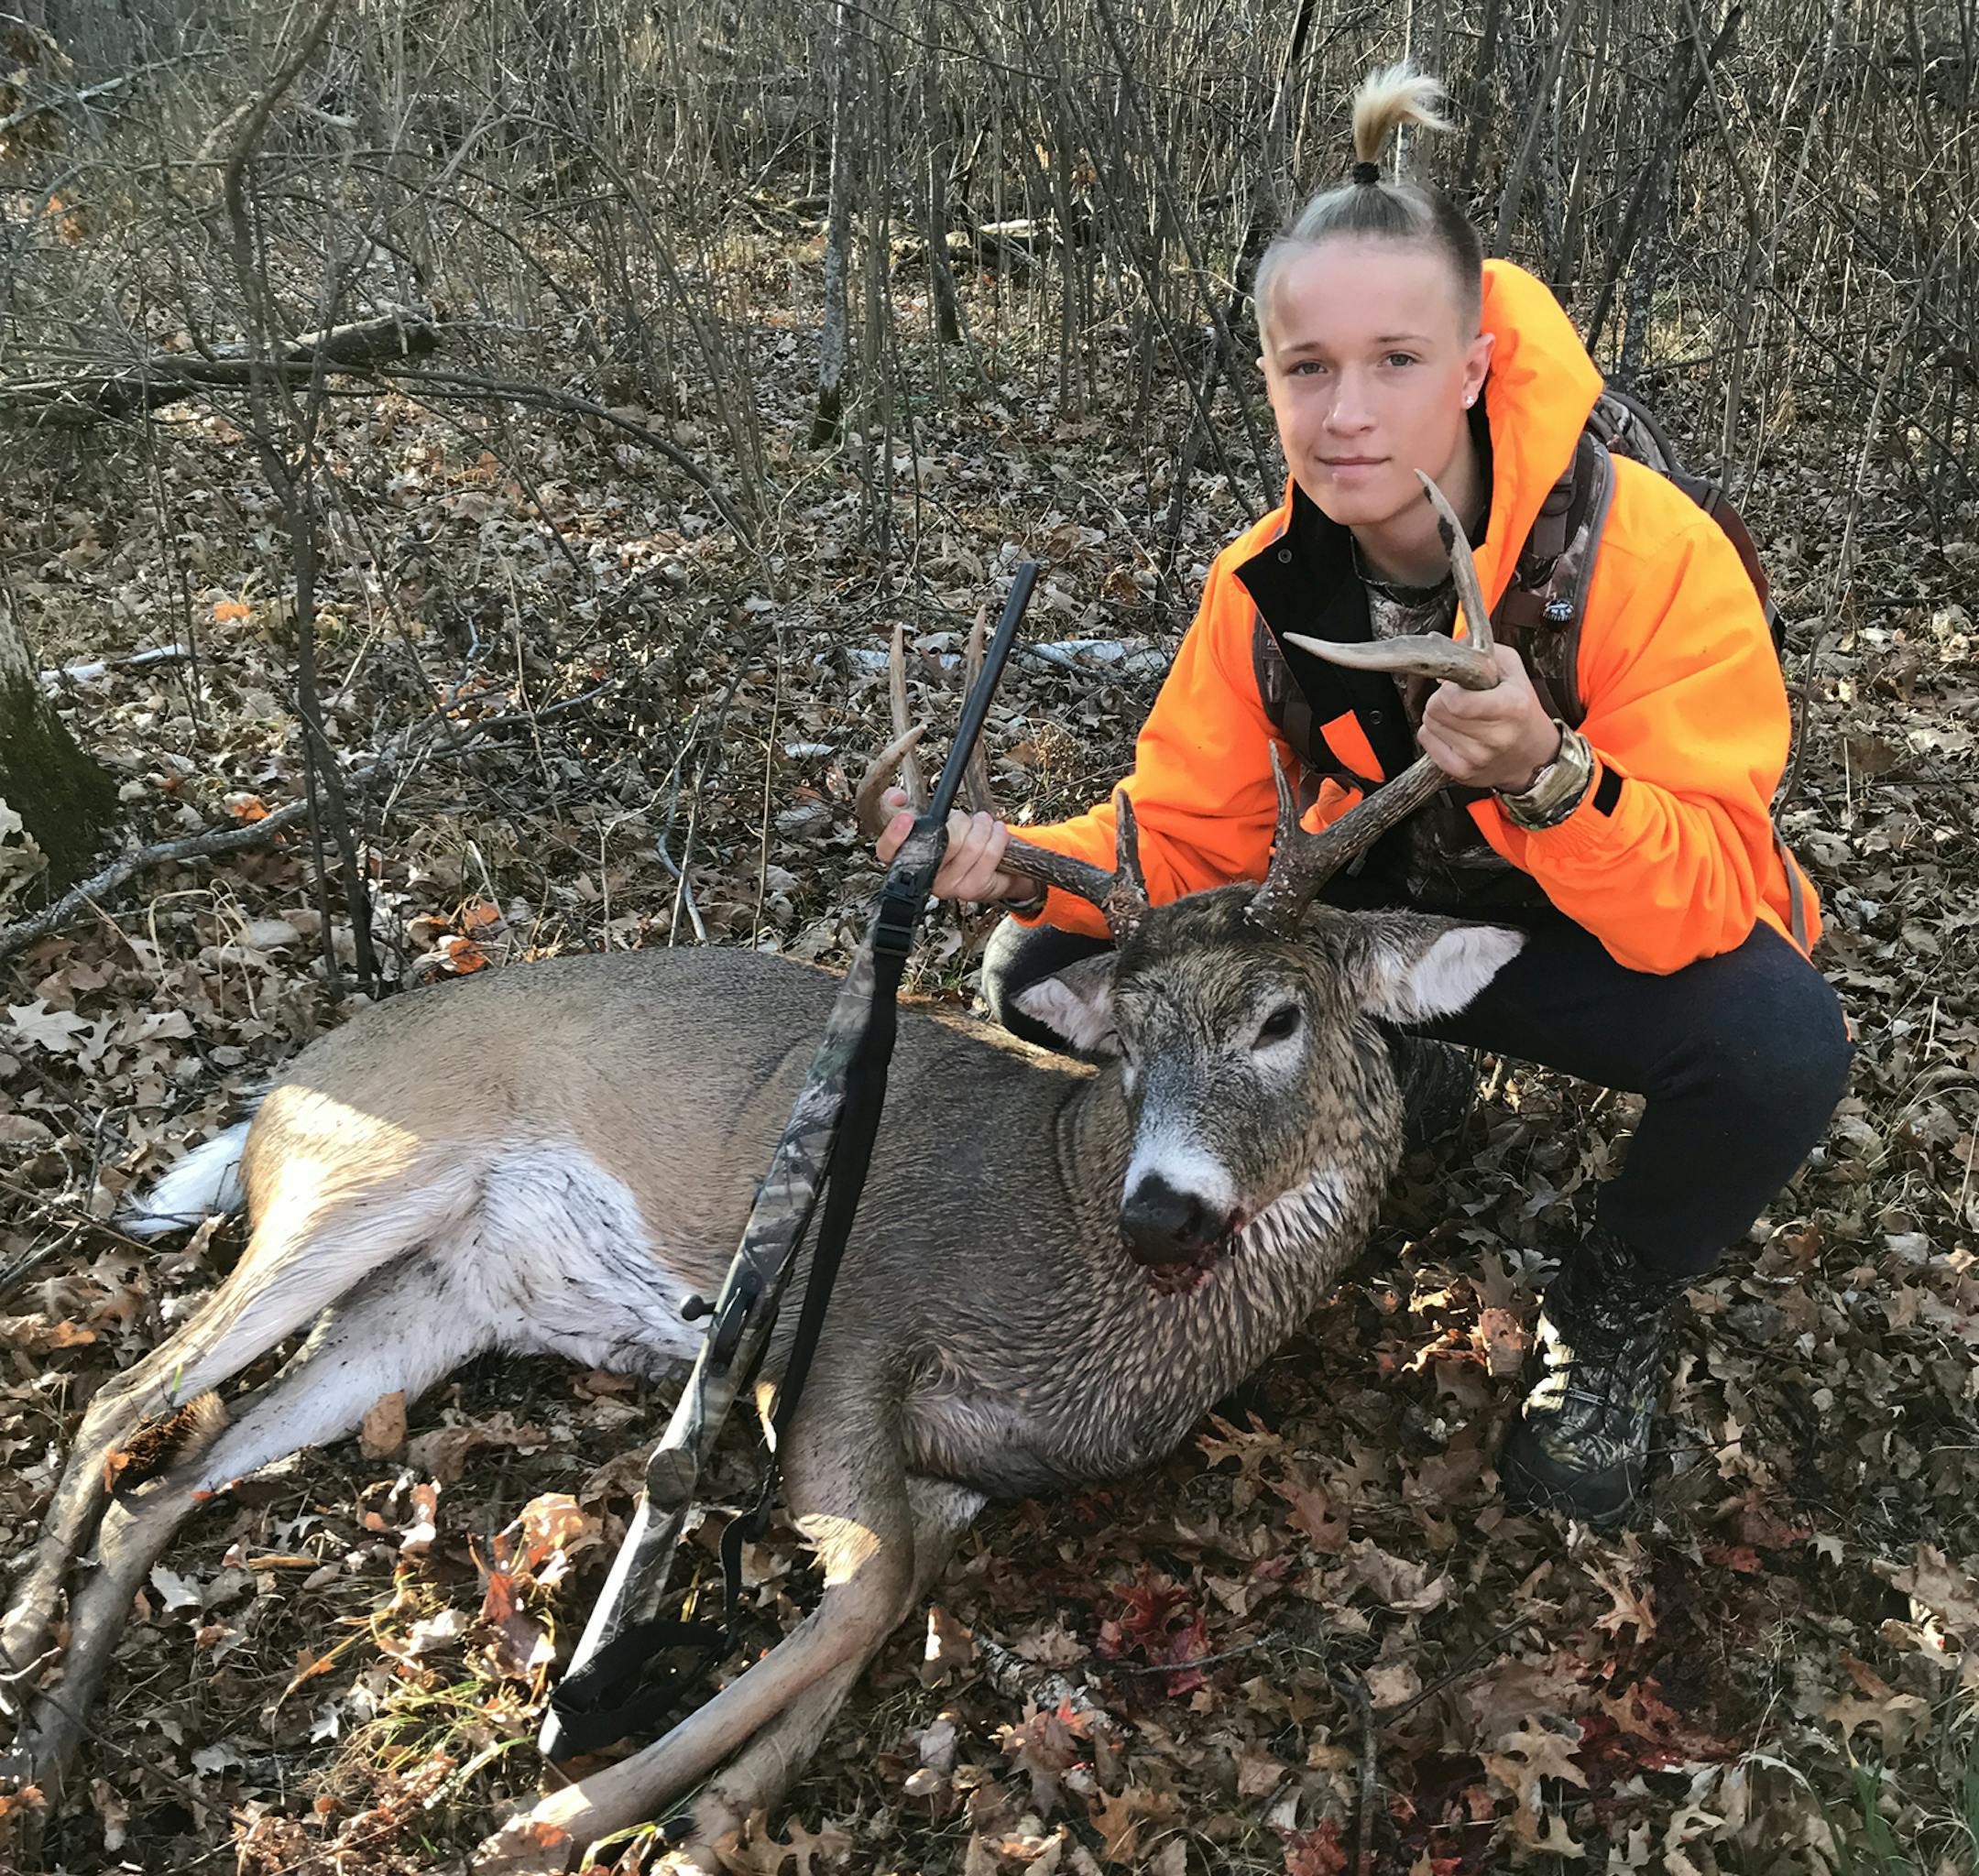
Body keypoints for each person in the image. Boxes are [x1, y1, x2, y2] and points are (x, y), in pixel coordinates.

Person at [875, 66, 1851, 1527]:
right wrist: (1011, 860)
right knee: (1044, 967)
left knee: (1781, 1050)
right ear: (1268, 380)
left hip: (1596, 924)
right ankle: (1370, 1077)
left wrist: (1551, 777)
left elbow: (1705, 894)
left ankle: (1617, 1297)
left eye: (1396, 361)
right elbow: (1183, 837)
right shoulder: (1267, 585)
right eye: (1306, 368)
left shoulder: (1648, 560)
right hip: (1362, 932)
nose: (1346, 414)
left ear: (1472, 365)